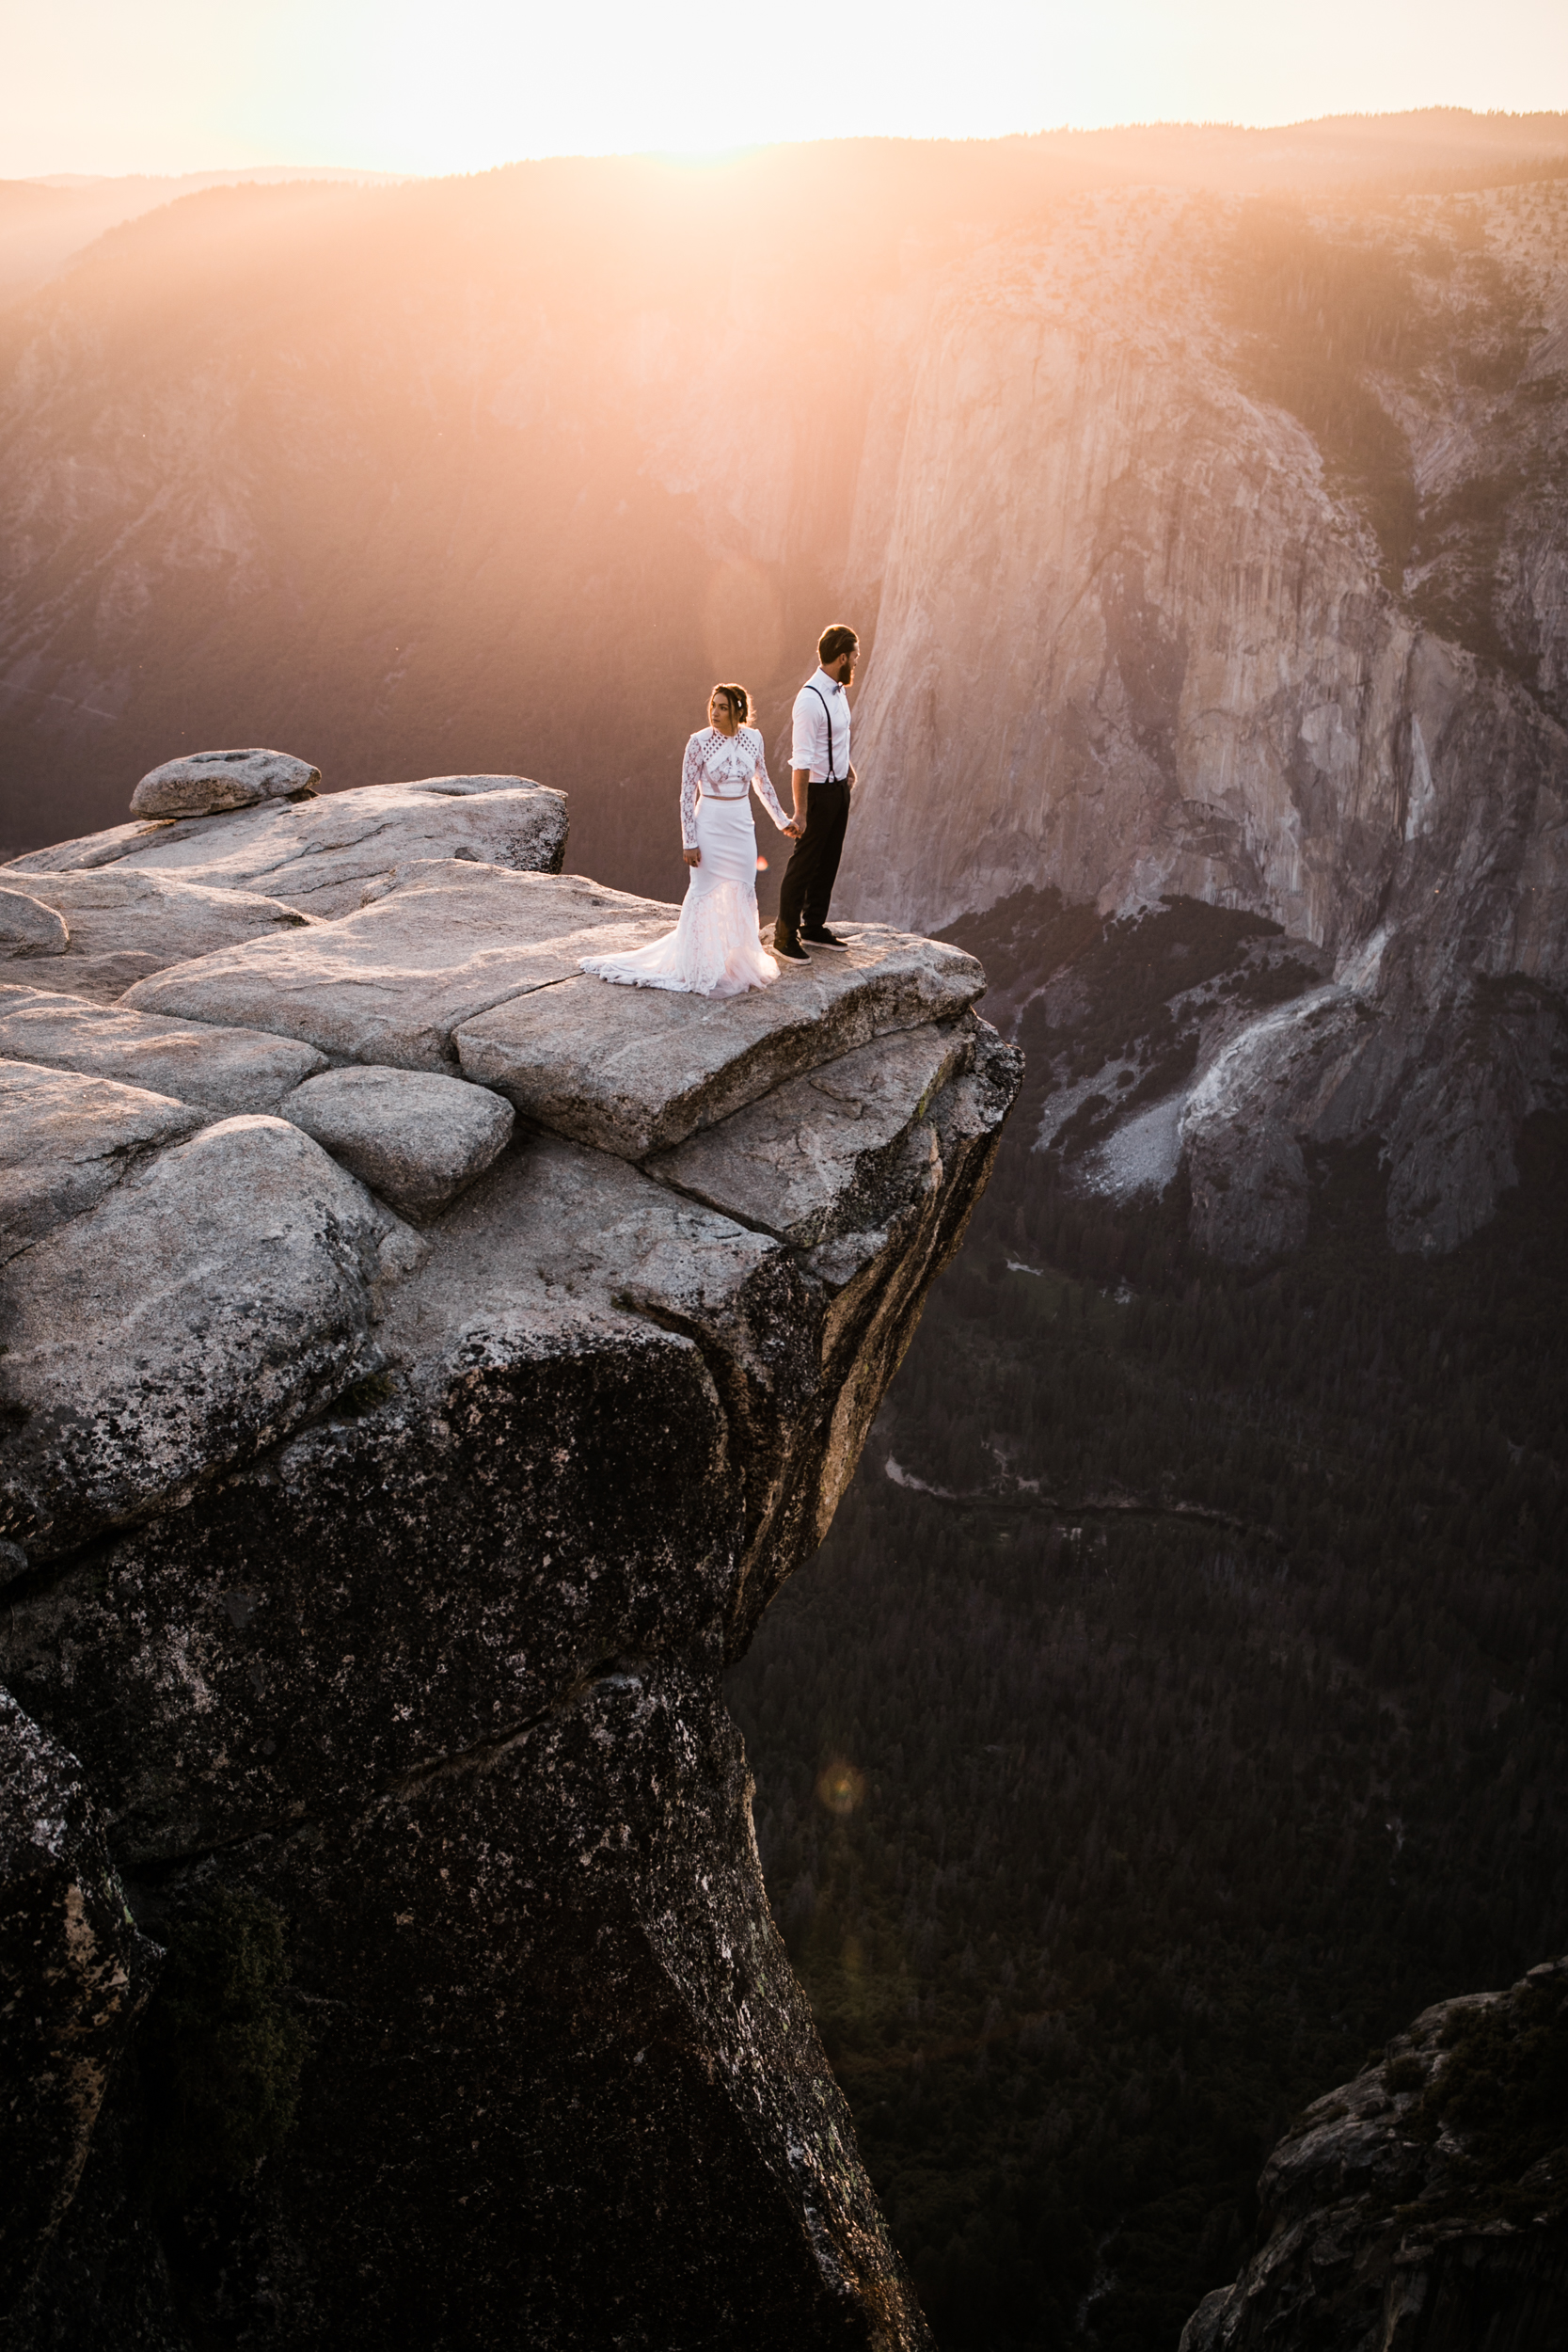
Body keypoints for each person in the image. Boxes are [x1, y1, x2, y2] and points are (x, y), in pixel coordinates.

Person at [579, 683, 800, 998]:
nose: (715, 713)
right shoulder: (698, 742)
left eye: (723, 707)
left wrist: (782, 821)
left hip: (741, 825)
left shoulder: (754, 738)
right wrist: (689, 840)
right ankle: (697, 966)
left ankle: (735, 962)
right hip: (708, 823)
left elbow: (762, 784)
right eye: (713, 705)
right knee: (703, 892)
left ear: (739, 710)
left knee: (742, 889)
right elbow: (686, 794)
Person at [772, 623, 859, 962]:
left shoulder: (839, 690)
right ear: (841, 657)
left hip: (838, 789)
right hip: (817, 793)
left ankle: (813, 926)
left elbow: (837, 737)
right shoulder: (809, 700)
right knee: (804, 863)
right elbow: (802, 761)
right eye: (854, 656)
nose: (856, 661)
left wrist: (847, 769)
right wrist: (800, 812)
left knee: (829, 859)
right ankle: (784, 934)